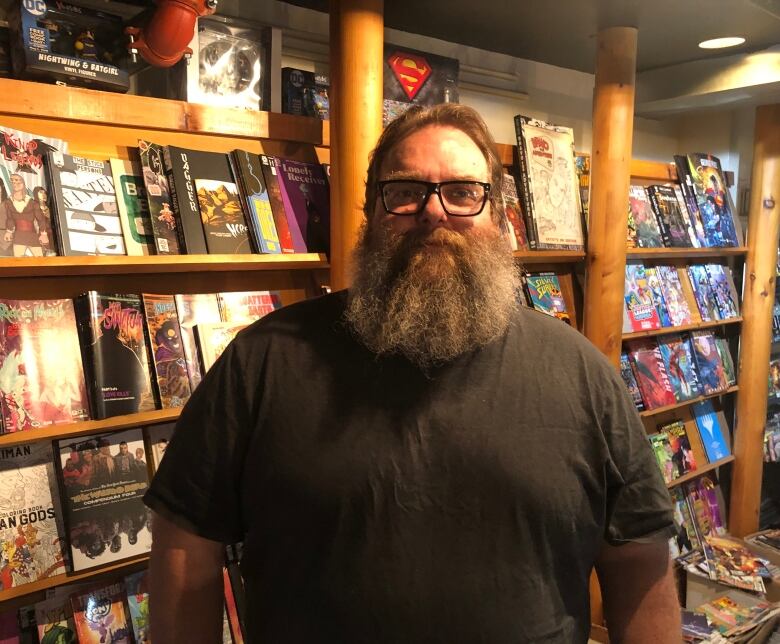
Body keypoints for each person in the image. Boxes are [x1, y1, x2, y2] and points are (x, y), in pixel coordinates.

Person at [146, 103, 680, 643]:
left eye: (463, 192)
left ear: (499, 217)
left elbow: (638, 560)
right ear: (370, 212)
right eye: (403, 191)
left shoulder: (584, 374)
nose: (433, 212)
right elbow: (185, 545)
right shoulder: (261, 360)